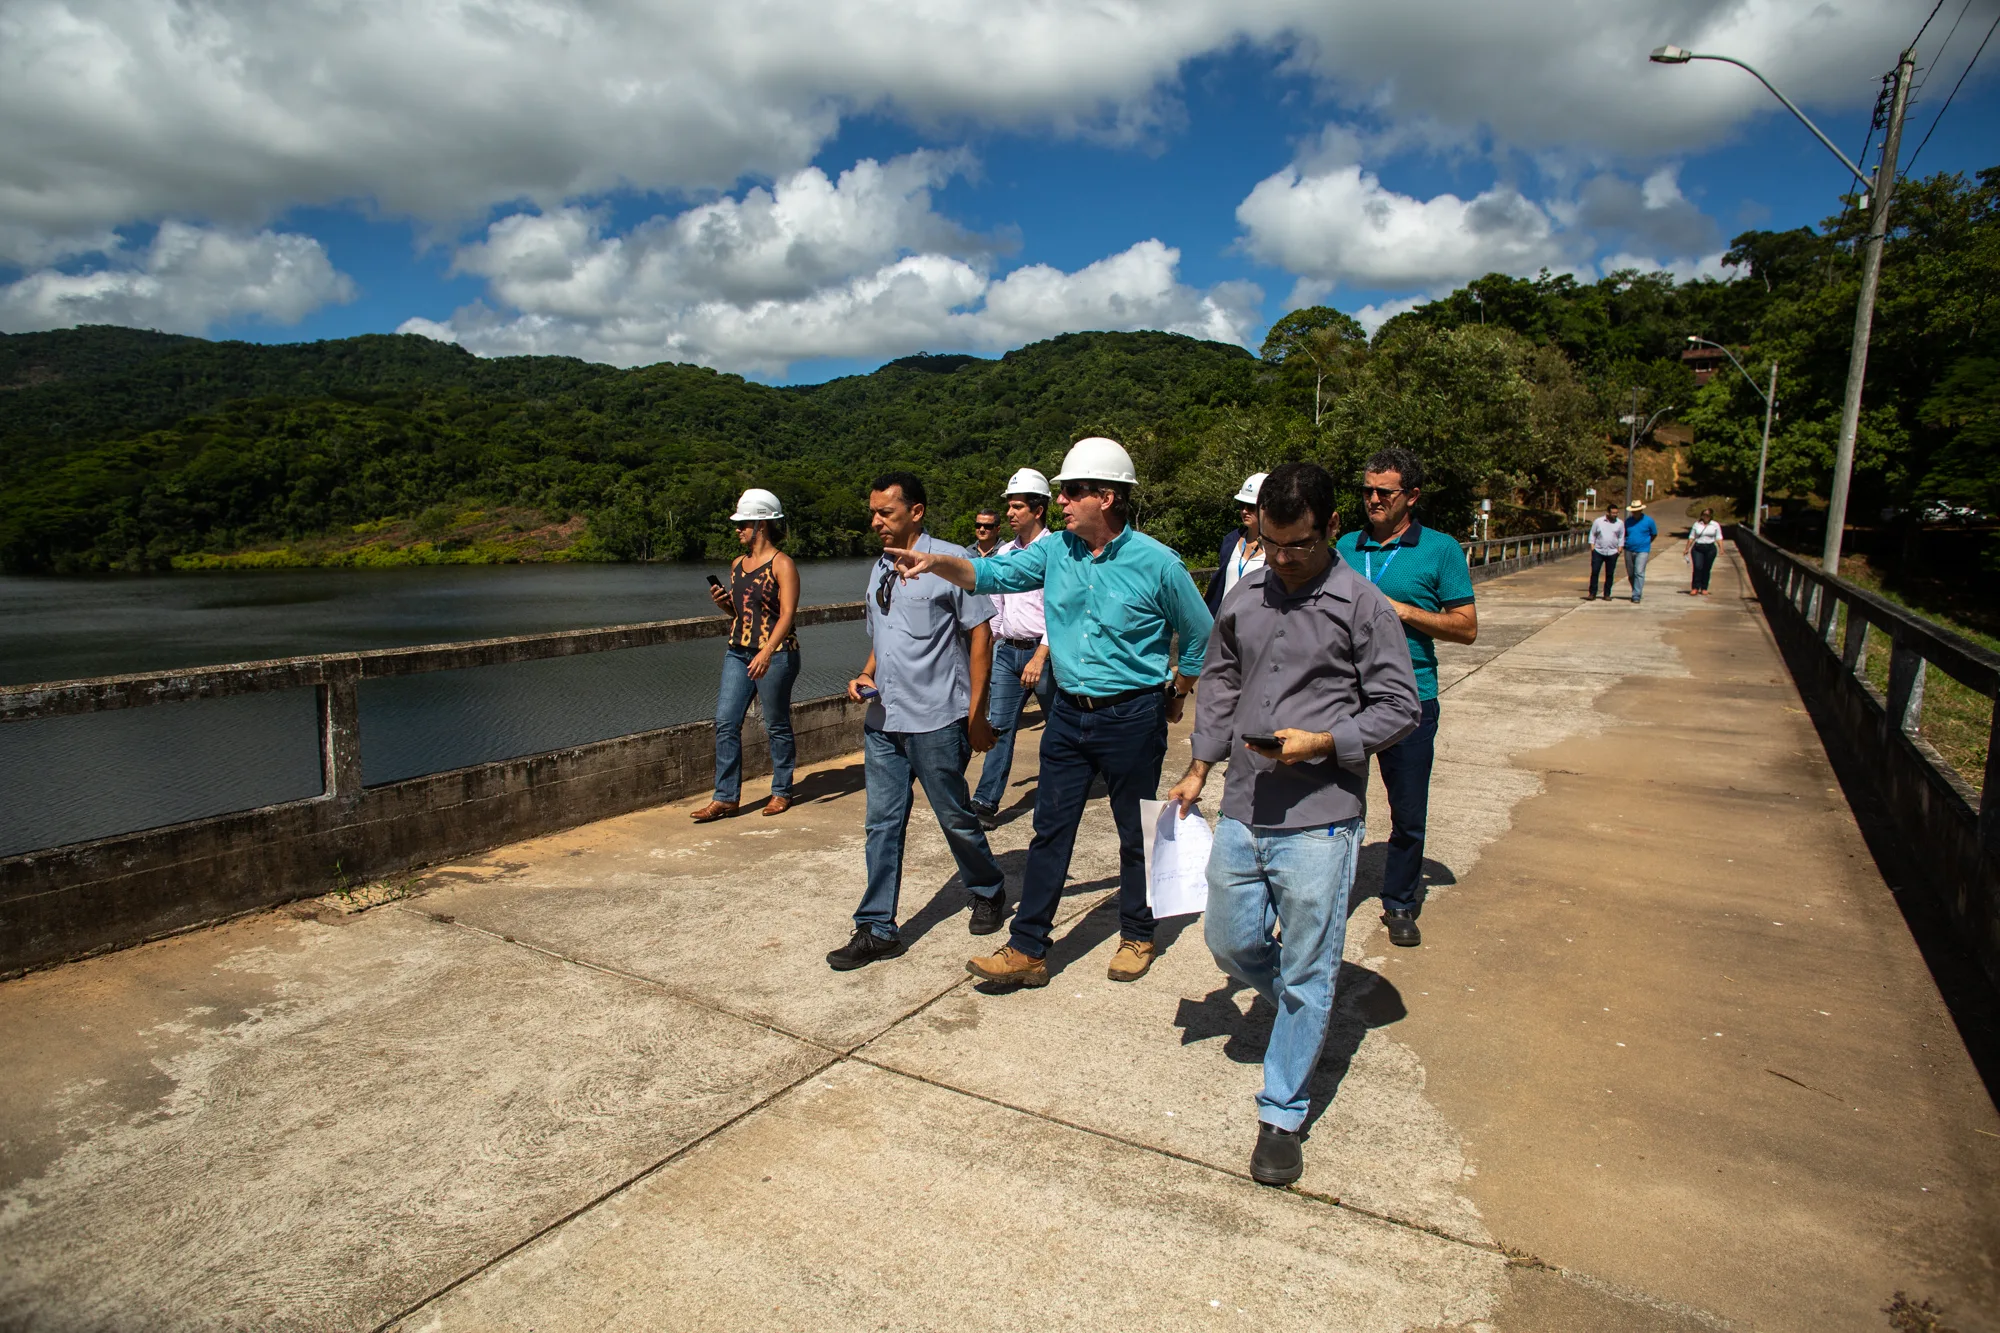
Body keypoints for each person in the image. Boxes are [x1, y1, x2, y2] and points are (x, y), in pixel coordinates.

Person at [1167, 462, 1419, 1186]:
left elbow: (1400, 707)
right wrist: (1199, 766)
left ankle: (1281, 1112)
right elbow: (1219, 682)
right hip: (1246, 804)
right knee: (1229, 939)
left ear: (1332, 528)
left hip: (1322, 818)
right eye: (1270, 544)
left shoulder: (1364, 606)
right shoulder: (1245, 597)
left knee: (1309, 965)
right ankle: (1305, 1005)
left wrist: (1327, 742)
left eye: (1297, 546)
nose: (1281, 559)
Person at [883, 436, 1213, 988]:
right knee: (1049, 829)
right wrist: (937, 561)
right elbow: (992, 577)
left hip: (1132, 714)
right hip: (1068, 714)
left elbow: (1201, 636)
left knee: (1137, 830)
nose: (1059, 501)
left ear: (1105, 497)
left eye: (1071, 492)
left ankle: (1138, 931)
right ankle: (1028, 947)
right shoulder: (1056, 550)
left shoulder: (1157, 563)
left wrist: (1176, 692)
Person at [827, 472, 1009, 971]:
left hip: (937, 717)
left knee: (954, 815)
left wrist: (977, 715)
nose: (876, 521)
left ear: (917, 512)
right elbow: (883, 634)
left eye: (886, 512)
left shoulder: (955, 562)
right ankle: (877, 927)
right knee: (881, 823)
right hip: (884, 717)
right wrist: (865, 673)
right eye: (874, 512)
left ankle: (988, 887)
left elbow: (980, 638)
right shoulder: (879, 567)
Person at [1333, 447, 1476, 948]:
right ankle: (1323, 901)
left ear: (1410, 496)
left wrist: (1402, 611)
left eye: (1384, 492)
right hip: (1344, 700)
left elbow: (1467, 628)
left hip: (1412, 699)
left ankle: (1399, 902)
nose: (1372, 499)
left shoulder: (1440, 550)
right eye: (1367, 490)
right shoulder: (1345, 546)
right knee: (1332, 807)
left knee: (1407, 812)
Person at [693, 488, 801, 823]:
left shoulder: (782, 564)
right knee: (726, 721)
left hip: (777, 654)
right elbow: (742, 614)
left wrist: (767, 651)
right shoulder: (738, 565)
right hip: (738, 652)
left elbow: (787, 615)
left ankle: (782, 790)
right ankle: (725, 798)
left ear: (762, 525)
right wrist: (725, 604)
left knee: (776, 724)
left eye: (744, 523)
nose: (738, 529)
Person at [971, 468, 1058, 830]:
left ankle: (1057, 798)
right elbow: (997, 606)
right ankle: (985, 802)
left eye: (1018, 506)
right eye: (1009, 505)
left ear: (1038, 510)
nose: (1009, 513)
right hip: (1009, 652)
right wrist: (990, 645)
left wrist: (1041, 653)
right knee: (1000, 728)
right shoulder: (1005, 552)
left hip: (1048, 656)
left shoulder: (1057, 550)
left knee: (1058, 730)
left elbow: (1062, 609)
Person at [1203, 472, 1269, 614]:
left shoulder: (1277, 548)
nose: (1244, 511)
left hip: (1257, 626)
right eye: (1241, 505)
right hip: (1225, 625)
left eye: (1251, 506)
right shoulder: (1230, 541)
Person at [1587, 503, 1624, 601]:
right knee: (1595, 572)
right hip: (1598, 551)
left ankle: (1607, 594)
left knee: (1609, 574)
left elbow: (1621, 536)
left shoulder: (1620, 523)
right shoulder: (1598, 521)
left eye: (1617, 513)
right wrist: (1592, 546)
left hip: (1612, 552)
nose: (1615, 515)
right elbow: (1592, 534)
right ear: (1607, 512)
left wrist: (1619, 548)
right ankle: (1592, 593)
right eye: (1613, 513)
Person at [1623, 501, 1659, 603]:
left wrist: (1647, 542)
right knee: (1631, 573)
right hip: (1629, 549)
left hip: (1642, 550)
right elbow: (1625, 534)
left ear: (1641, 510)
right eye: (1633, 511)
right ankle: (1635, 589)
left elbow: (1654, 534)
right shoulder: (1628, 521)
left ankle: (1636, 594)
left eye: (1636, 511)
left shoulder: (1649, 521)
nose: (1634, 513)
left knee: (1639, 572)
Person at [1684, 508, 1723, 596]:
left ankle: (1704, 588)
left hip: (1710, 548)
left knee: (1707, 568)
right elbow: (1691, 537)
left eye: (1708, 515)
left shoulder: (1715, 525)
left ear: (1711, 516)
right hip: (1698, 547)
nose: (1705, 517)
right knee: (1698, 567)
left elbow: (1719, 537)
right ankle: (1695, 587)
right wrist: (1687, 548)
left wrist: (1721, 548)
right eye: (1704, 515)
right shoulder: (1697, 524)